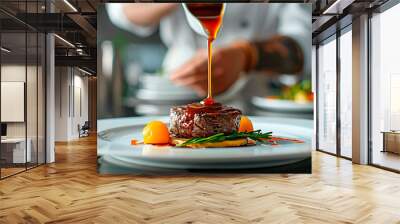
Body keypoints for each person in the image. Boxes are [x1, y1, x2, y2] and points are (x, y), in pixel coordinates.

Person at [106, 3, 310, 99]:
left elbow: (304, 44)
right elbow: (120, 11)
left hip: (253, 94)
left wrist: (246, 55)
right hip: (175, 89)